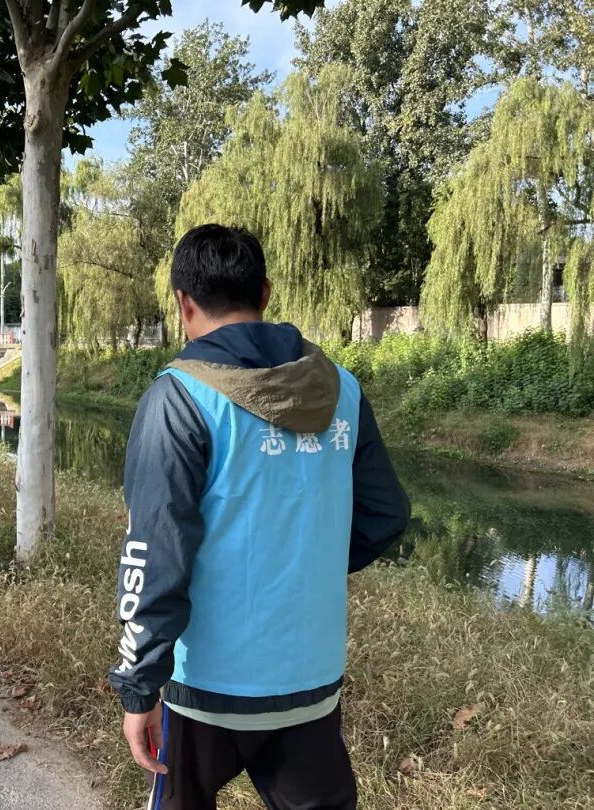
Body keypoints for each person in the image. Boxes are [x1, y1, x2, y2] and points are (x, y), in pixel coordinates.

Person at [109, 225, 410, 810]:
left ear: (183, 303)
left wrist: (139, 686)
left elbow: (154, 553)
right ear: (266, 294)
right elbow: (386, 514)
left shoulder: (179, 399)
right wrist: (305, 565)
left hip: (207, 685)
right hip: (311, 675)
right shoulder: (343, 391)